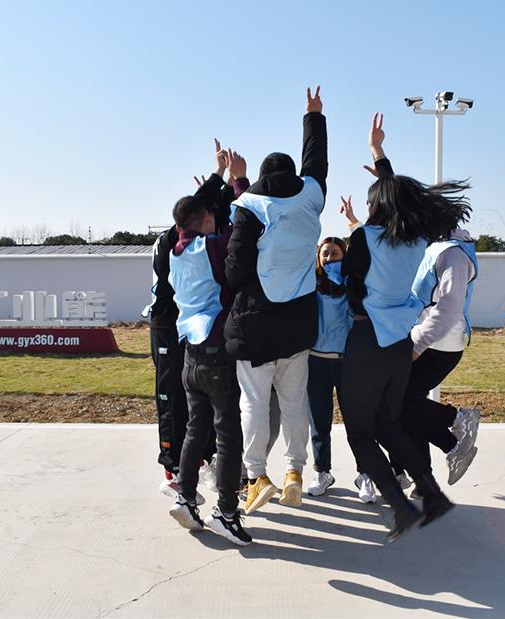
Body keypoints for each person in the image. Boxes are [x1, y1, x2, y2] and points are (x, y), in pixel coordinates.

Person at [339, 113, 470, 543]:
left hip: (366, 343)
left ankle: (401, 507)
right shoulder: (416, 241)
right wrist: (379, 156)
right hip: (399, 346)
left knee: (361, 431)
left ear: (377, 206)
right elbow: (397, 200)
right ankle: (431, 495)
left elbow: (350, 288)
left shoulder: (364, 239)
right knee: (388, 424)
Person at [225, 86, 328, 514]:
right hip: (298, 325)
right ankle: (294, 472)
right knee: (293, 402)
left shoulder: (249, 206)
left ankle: (256, 476)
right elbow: (316, 164)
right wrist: (313, 116)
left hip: (256, 325)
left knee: (252, 402)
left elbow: (234, 270)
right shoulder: (312, 198)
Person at [167, 144, 253, 547]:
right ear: (204, 220)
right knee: (228, 434)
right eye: (210, 216)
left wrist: (217, 176)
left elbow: (193, 213)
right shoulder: (211, 247)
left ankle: (185, 498)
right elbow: (244, 231)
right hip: (217, 351)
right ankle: (226, 512)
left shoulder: (176, 250)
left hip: (190, 354)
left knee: (195, 429)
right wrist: (239, 183)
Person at [145, 143, 239, 501]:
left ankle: (200, 464)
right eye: (206, 216)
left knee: (197, 403)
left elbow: (212, 220)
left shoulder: (199, 243)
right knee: (172, 400)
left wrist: (223, 188)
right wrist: (220, 176)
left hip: (190, 329)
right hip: (167, 327)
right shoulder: (173, 242)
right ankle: (171, 471)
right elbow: (193, 214)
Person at [399, 226, 481, 486]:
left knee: (398, 403)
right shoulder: (435, 247)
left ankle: (458, 421)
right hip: (428, 343)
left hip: (437, 346)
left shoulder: (452, 254)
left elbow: (449, 308)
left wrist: (416, 346)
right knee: (408, 409)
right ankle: (429, 472)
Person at [305, 235, 377, 504]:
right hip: (317, 360)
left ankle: (365, 473)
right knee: (319, 422)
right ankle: (322, 472)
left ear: (344, 256)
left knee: (357, 422)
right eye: (324, 253)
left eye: (335, 253)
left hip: (348, 362)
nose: (328, 258)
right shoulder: (311, 283)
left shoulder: (353, 283)